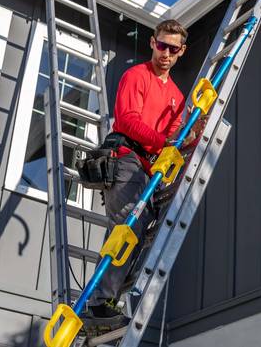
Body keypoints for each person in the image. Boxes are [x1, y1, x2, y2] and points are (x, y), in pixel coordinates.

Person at [78, 19, 201, 333]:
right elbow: (128, 121)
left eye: (173, 49)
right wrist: (164, 144)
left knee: (141, 230)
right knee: (129, 227)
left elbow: (176, 139)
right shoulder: (137, 76)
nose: (166, 53)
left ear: (181, 52)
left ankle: (106, 302)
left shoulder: (176, 95)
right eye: (162, 45)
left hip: (148, 168)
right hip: (126, 157)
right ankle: (96, 303)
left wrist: (194, 137)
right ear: (152, 42)